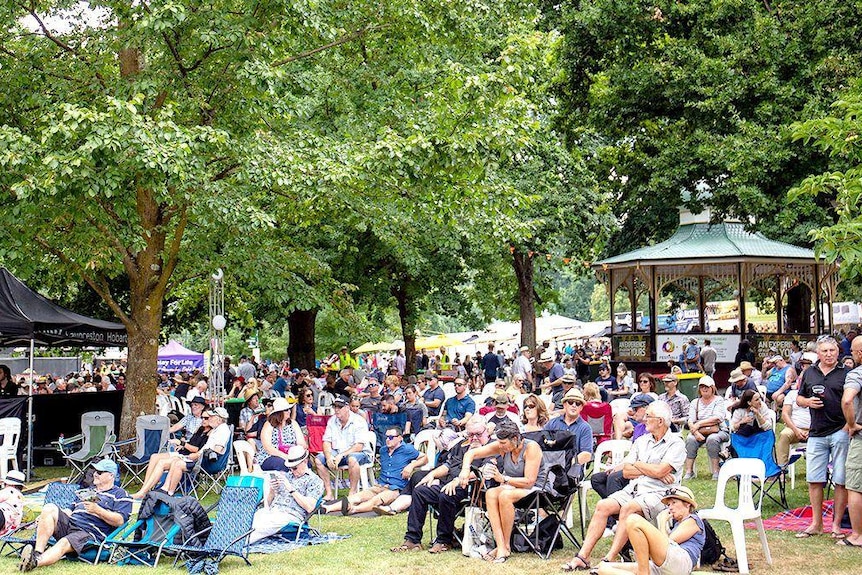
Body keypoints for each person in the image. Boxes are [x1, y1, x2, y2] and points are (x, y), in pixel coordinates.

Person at [561, 401, 686, 571]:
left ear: (660, 421)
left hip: (660, 495)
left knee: (628, 508)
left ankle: (609, 559)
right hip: (635, 489)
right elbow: (627, 471)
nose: (644, 419)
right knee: (602, 506)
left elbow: (660, 470)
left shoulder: (676, 443)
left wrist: (641, 466)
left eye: (649, 416)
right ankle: (583, 557)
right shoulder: (642, 441)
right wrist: (651, 469)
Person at [456, 420, 547, 563]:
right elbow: (471, 454)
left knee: (505, 495)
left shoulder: (531, 448)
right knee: (491, 493)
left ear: (515, 439)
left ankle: (505, 546)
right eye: (499, 442)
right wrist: (465, 470)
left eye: (503, 443)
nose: (500, 446)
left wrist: (502, 478)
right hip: (513, 486)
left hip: (537, 489)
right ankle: (501, 546)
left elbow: (529, 482)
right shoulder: (503, 447)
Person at [19, 460, 131, 572]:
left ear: (111, 475)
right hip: (71, 523)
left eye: (100, 472)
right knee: (49, 508)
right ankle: (37, 553)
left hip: (89, 532)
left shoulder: (120, 494)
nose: (95, 474)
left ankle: (35, 562)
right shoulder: (86, 492)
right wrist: (45, 516)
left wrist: (98, 511)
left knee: (64, 542)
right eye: (95, 471)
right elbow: (68, 511)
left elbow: (120, 521)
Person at [796, 336, 849, 539]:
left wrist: (847, 426)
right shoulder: (809, 372)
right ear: (818, 353)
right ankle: (816, 523)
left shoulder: (846, 374)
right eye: (825, 351)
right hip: (816, 432)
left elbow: (854, 402)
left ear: (838, 352)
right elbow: (798, 398)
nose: (828, 354)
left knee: (840, 479)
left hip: (840, 431)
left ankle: (836, 525)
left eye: (832, 351)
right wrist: (807, 401)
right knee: (814, 480)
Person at [596, 486, 704, 575]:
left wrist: (662, 522)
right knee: (603, 568)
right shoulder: (677, 524)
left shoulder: (693, 520)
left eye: (674, 502)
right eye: (669, 504)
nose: (670, 507)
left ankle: (643, 573)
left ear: (687, 504)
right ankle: (643, 572)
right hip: (663, 566)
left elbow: (668, 543)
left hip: (681, 564)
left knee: (633, 519)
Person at [322, 426, 426, 515]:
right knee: (357, 497)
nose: (387, 439)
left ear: (400, 438)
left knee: (375, 500)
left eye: (391, 437)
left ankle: (353, 509)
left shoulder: (407, 449)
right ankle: (328, 508)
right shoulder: (383, 450)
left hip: (395, 489)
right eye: (386, 437)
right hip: (380, 485)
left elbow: (425, 458)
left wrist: (412, 465)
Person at [249, 445, 324, 544]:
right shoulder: (285, 476)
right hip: (273, 511)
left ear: (305, 461)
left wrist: (291, 489)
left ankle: (237, 544)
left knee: (263, 525)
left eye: (295, 468)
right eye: (290, 468)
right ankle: (230, 541)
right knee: (251, 518)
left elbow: (310, 507)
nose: (292, 471)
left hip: (290, 515)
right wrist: (272, 490)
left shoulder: (314, 481)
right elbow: (267, 503)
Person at [314, 395, 372, 501]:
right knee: (318, 460)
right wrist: (328, 457)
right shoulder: (332, 420)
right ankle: (329, 493)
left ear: (347, 407)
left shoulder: (359, 421)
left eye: (339, 407)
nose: (336, 410)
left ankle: (352, 492)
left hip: (360, 453)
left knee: (352, 459)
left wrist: (341, 455)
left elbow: (359, 446)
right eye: (335, 407)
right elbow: (326, 441)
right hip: (338, 452)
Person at [682, 376, 728, 480]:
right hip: (699, 431)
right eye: (702, 386)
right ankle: (689, 471)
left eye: (707, 386)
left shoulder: (719, 400)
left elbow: (717, 418)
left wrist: (699, 424)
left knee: (712, 439)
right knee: (690, 439)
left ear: (712, 388)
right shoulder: (695, 402)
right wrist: (695, 431)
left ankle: (716, 471)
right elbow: (690, 420)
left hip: (718, 430)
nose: (704, 389)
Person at [842, 335, 862, 548]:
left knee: (856, 487)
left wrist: (852, 424)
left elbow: (848, 400)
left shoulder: (857, 374)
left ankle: (857, 535)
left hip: (861, 437)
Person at [777, 354, 814, 465]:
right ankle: (782, 468)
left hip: (815, 430)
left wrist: (811, 430)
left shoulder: (818, 394)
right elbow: (785, 414)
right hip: (794, 429)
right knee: (784, 435)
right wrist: (797, 430)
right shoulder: (792, 394)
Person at [255, 397, 307, 471]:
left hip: (293, 456)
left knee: (306, 463)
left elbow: (302, 444)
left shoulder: (293, 423)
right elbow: (268, 448)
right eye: (286, 410)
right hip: (271, 456)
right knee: (282, 464)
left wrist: (295, 455)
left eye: (289, 409)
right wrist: (286, 457)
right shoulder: (269, 425)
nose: (289, 411)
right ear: (279, 412)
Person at [0, 470, 25, 537]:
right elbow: (17, 521)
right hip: (4, 524)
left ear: (12, 485)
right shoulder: (21, 498)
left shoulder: (9, 491)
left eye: (5, 484)